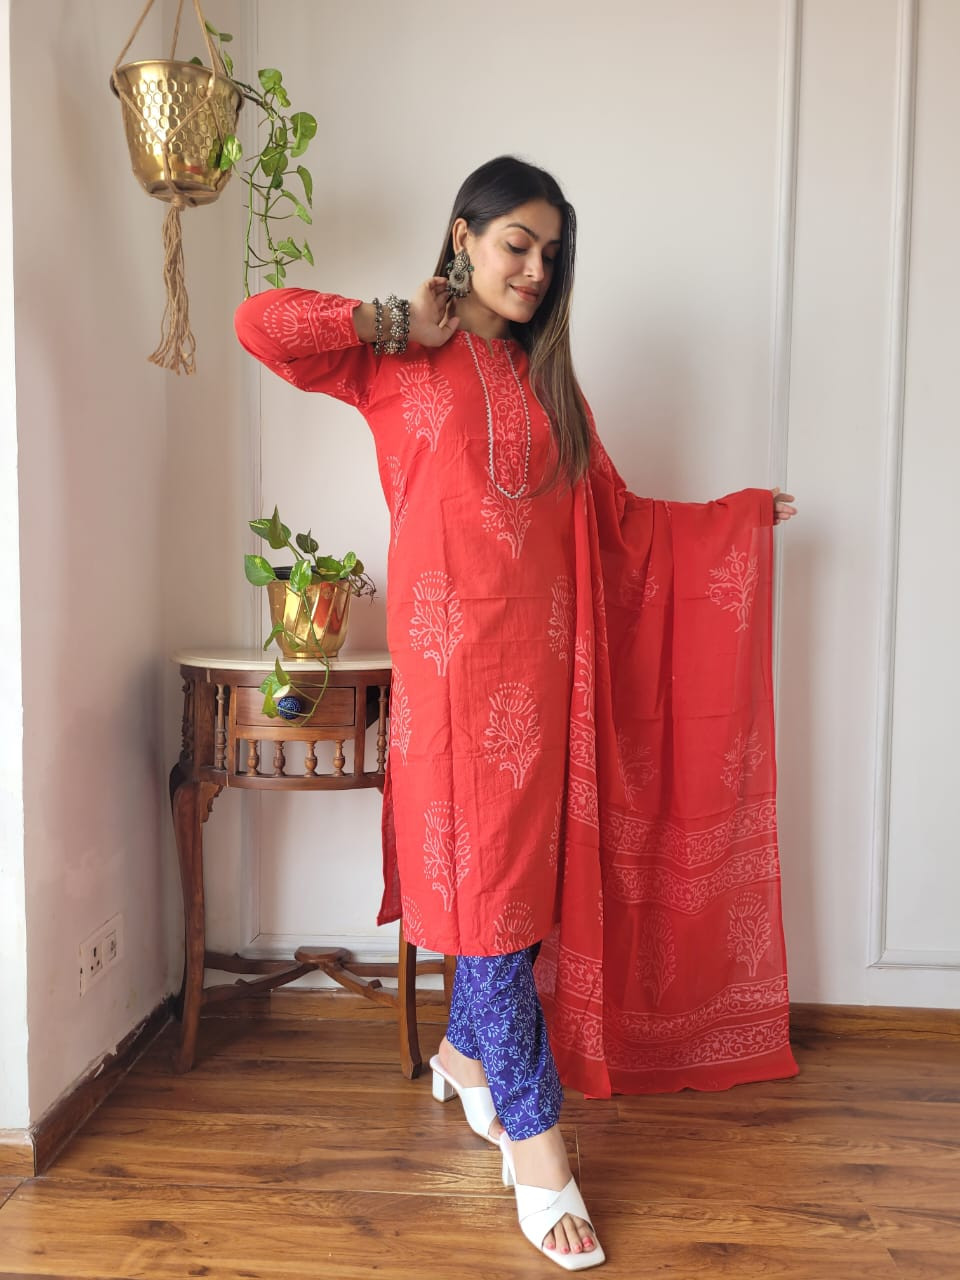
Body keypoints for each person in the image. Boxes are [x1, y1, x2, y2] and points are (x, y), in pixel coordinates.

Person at [235, 155, 799, 1271]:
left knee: (517, 904)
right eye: (516, 245)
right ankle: (538, 1153)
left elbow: (622, 523)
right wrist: (395, 315)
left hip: (543, 689)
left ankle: (465, 1058)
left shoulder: (553, 391)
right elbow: (262, 323)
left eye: (552, 253)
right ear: (464, 237)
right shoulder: (393, 359)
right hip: (450, 686)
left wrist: (731, 520)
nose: (536, 269)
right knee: (485, 900)